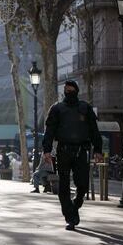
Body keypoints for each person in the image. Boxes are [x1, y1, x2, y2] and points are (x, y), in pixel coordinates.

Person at [43, 80, 102, 231]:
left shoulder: (85, 108)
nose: (68, 92)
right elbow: (49, 131)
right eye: (66, 90)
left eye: (71, 90)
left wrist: (98, 150)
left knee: (82, 185)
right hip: (63, 151)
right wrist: (47, 150)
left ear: (76, 91)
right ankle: (70, 217)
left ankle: (75, 205)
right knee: (63, 186)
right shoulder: (57, 109)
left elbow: (94, 130)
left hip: (81, 151)